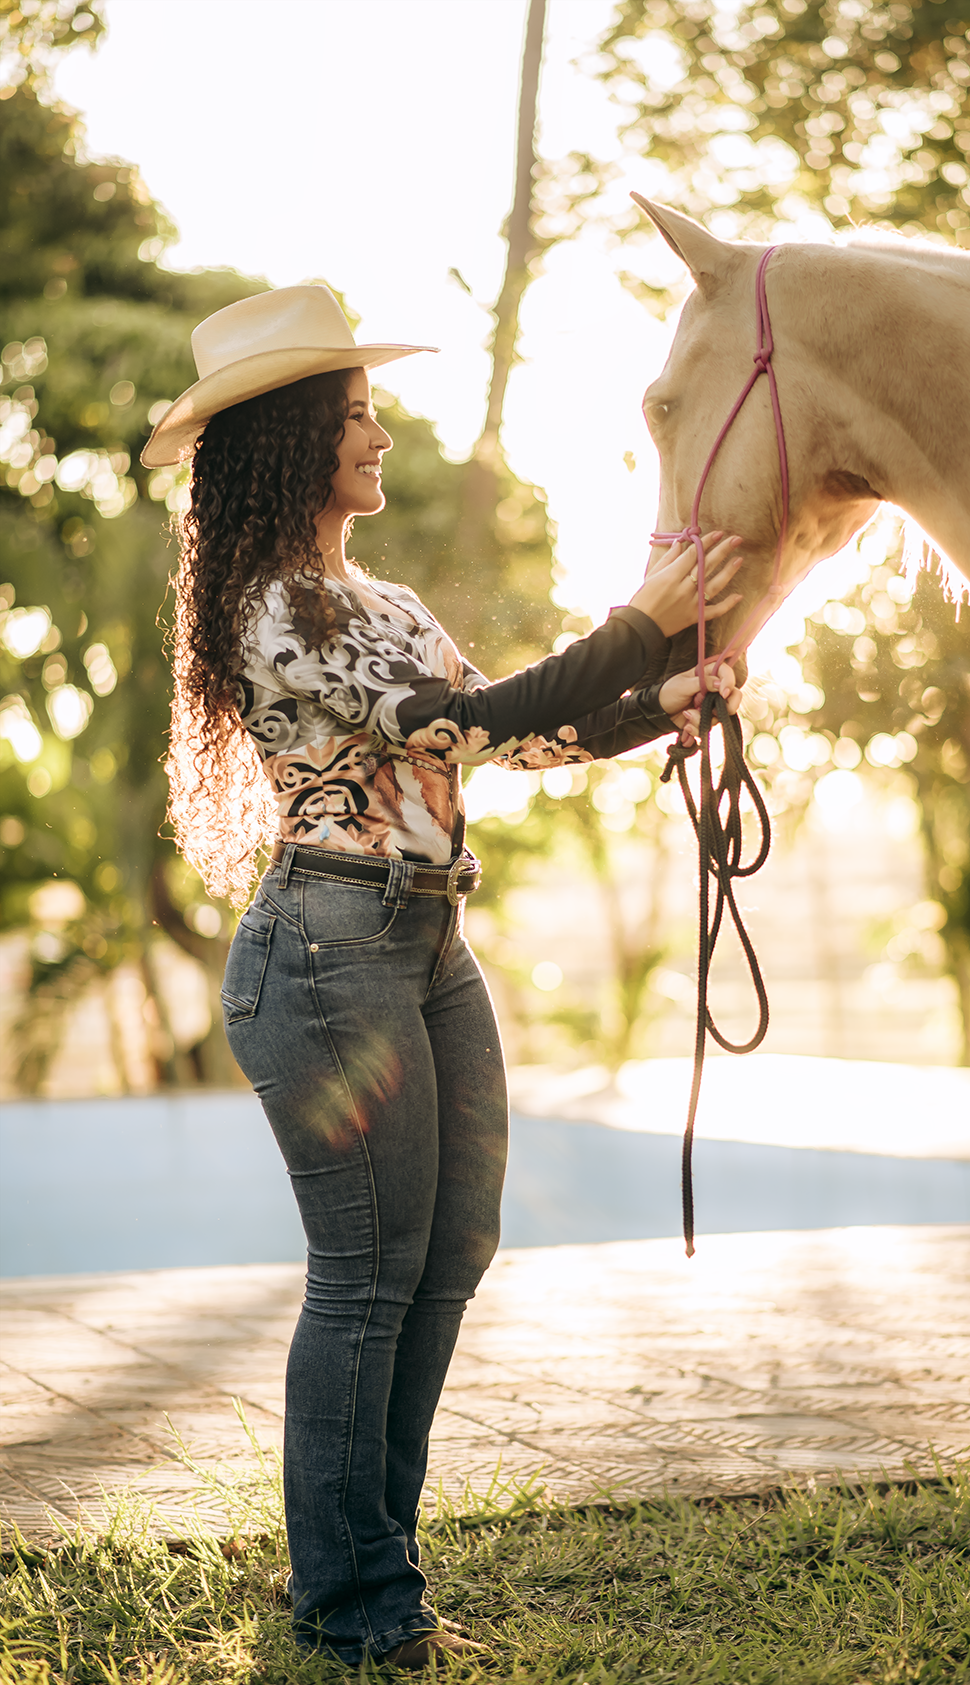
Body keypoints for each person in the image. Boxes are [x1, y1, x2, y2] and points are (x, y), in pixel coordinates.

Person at [144, 285, 743, 1671]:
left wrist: (666, 706)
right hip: (326, 948)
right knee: (366, 1275)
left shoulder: (384, 599)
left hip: (423, 947)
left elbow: (516, 742)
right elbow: (456, 717)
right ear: (296, 439)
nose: (382, 435)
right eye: (357, 417)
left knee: (451, 1252)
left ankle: (379, 1566)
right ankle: (354, 1603)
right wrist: (641, 621)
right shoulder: (266, 604)